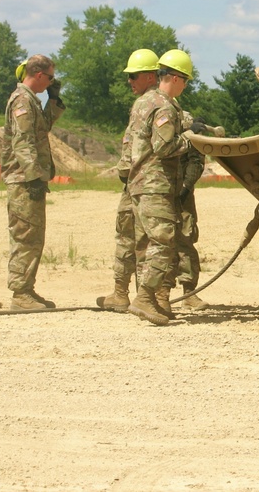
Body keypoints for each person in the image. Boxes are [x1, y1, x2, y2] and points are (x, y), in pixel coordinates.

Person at [126, 49, 195, 326]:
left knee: (145, 243)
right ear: (176, 78)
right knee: (164, 241)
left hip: (140, 183)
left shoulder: (144, 102)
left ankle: (151, 301)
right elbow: (164, 146)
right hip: (156, 184)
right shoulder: (164, 106)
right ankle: (144, 296)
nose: (186, 86)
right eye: (186, 81)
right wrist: (191, 141)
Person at [96, 48, 160, 312]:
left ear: (149, 76)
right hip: (132, 182)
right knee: (126, 237)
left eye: (134, 76)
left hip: (144, 184)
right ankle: (121, 294)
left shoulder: (155, 103)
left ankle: (146, 297)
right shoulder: (141, 104)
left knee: (145, 239)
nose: (130, 82)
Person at [1, 54, 65, 310]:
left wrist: (55, 101)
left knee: (34, 235)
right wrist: (33, 176)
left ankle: (26, 288)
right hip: (23, 180)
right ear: (39, 75)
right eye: (50, 78)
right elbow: (23, 141)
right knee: (26, 236)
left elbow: (42, 128)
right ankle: (20, 293)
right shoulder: (22, 101)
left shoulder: (32, 101)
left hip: (28, 178)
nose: (51, 82)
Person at [171, 111, 212, 311]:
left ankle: (189, 293)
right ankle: (156, 294)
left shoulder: (185, 120)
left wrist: (185, 188)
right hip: (160, 189)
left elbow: (196, 162)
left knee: (185, 240)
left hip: (181, 193)